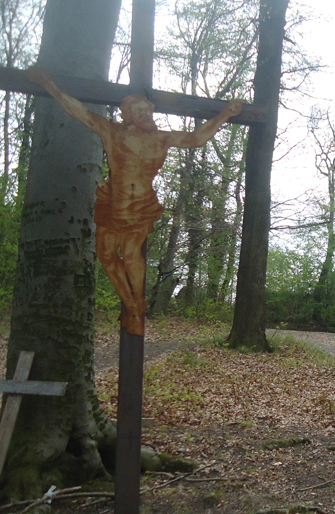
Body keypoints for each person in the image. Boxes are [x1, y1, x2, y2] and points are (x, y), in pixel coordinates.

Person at [27, 67, 243, 336]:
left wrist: (225, 114)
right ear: (127, 115)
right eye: (140, 112)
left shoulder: (162, 139)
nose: (147, 116)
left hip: (141, 204)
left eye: (148, 111)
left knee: (131, 253)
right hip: (112, 202)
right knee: (106, 255)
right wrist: (48, 83)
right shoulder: (112, 132)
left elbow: (196, 138)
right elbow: (79, 111)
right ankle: (133, 305)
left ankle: (137, 306)